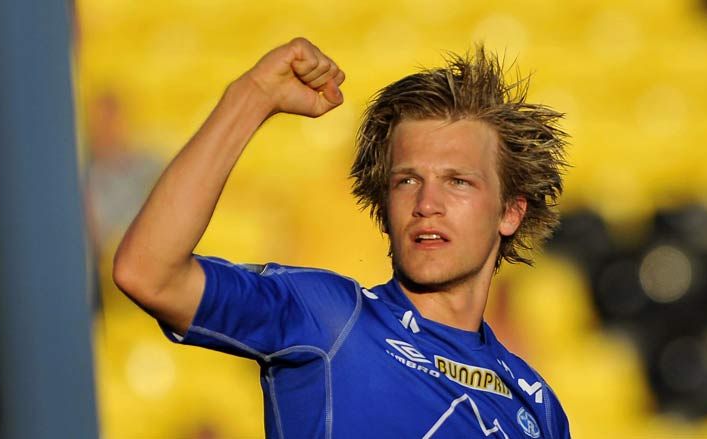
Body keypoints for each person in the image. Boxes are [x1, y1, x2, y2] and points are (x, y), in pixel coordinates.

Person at [114, 37, 571, 438]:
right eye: (407, 181)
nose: (426, 203)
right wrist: (252, 95)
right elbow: (149, 273)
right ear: (383, 206)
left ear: (510, 212)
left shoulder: (538, 406)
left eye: (458, 181)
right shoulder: (329, 318)